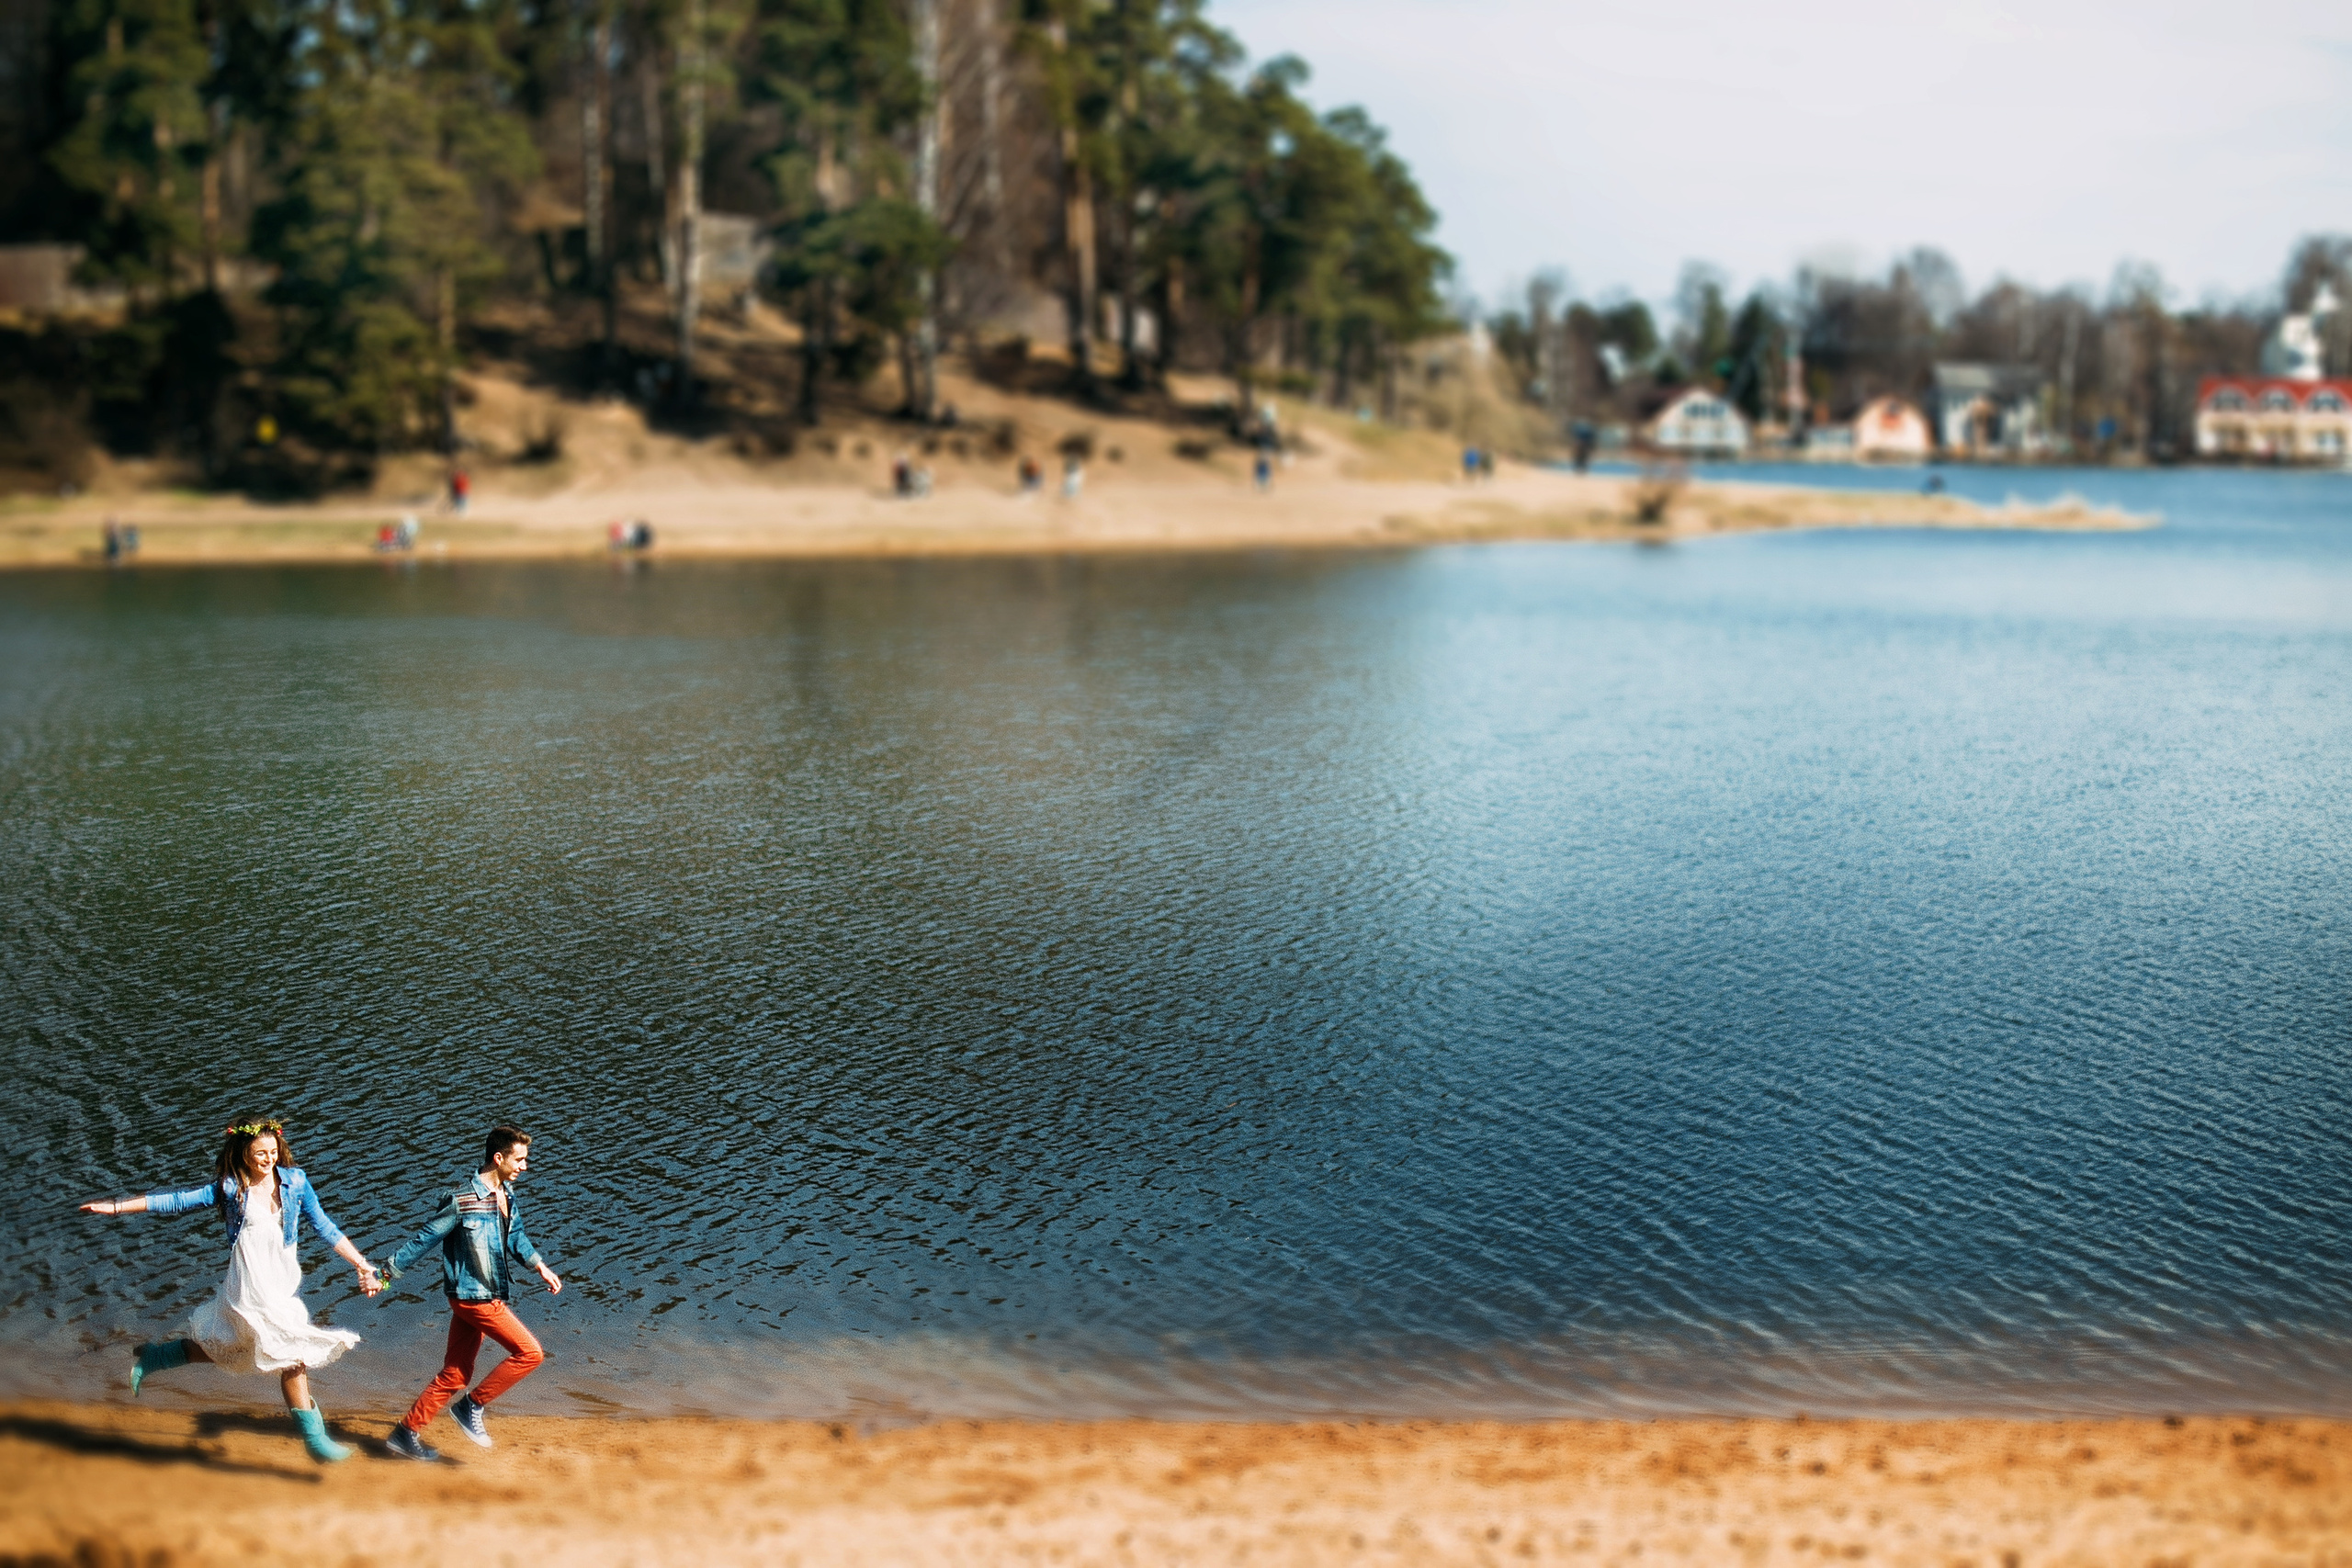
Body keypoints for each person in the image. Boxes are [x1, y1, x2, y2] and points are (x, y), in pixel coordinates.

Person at [77, 1119, 381, 1464]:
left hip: (280, 1282)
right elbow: (177, 1201)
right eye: (260, 1154)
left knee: (232, 1348)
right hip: (248, 1284)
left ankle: (154, 1358)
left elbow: (324, 1225)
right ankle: (316, 1441)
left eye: (273, 1152)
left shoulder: (296, 1182)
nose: (268, 1160)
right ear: (244, 1155)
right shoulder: (230, 1187)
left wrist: (360, 1263)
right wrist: (117, 1207)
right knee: (292, 1356)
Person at [379, 1125, 563, 1461]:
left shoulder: (506, 1196)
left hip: (481, 1296)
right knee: (530, 1353)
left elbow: (516, 1237)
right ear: (499, 1158)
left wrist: (541, 1267)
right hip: (474, 1297)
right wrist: (385, 1274)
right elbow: (424, 1239)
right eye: (519, 1159)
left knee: (456, 1372)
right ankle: (471, 1407)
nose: (524, 1166)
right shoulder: (461, 1200)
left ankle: (405, 1434)